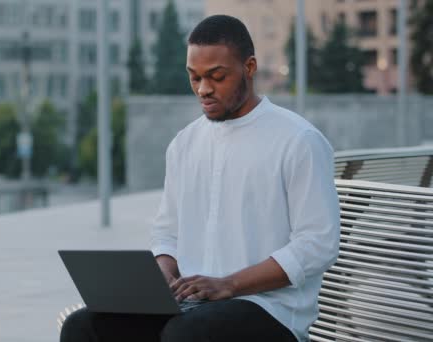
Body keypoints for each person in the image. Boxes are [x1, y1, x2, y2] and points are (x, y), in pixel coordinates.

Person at [60, 15, 340, 342]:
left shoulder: (298, 140)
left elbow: (318, 244)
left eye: (217, 76)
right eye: (194, 77)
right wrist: (163, 275)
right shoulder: (184, 143)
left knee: (185, 335)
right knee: (84, 325)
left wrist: (229, 283)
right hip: (192, 304)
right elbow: (167, 233)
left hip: (269, 309)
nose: (203, 89)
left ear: (249, 68)